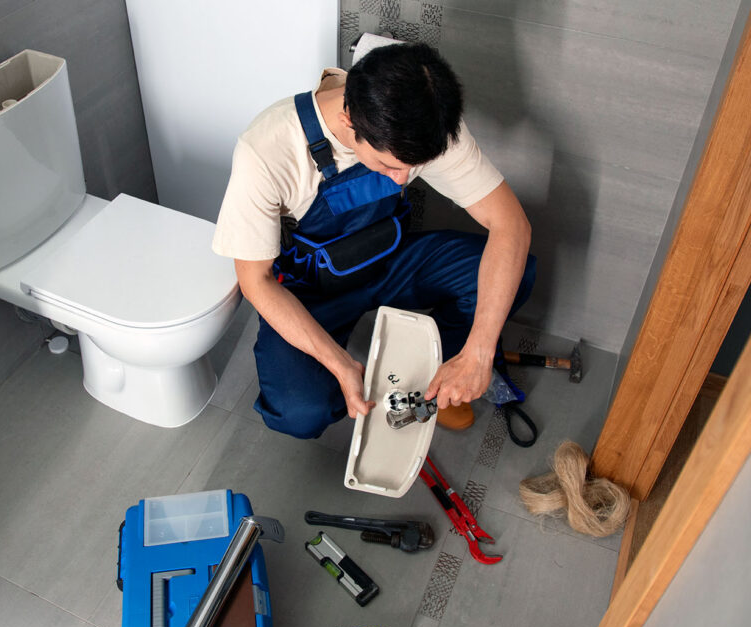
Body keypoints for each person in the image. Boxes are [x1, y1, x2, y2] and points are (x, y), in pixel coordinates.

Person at [213, 43, 536, 439]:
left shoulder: (426, 113)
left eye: (412, 167)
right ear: (350, 120)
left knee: (514, 274)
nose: (402, 179)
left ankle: (437, 385)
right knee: (300, 411)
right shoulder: (267, 149)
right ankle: (346, 381)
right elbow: (254, 281)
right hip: (314, 290)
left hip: (391, 260)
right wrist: (340, 363)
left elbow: (511, 226)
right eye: (389, 165)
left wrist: (479, 352)